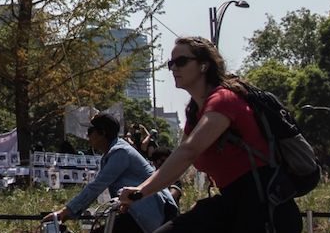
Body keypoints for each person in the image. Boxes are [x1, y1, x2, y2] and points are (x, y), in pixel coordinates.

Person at [117, 36, 302, 233]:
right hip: (230, 205)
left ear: (204, 65)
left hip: (264, 210)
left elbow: (189, 151)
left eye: (181, 61)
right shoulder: (195, 112)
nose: (174, 68)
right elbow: (179, 158)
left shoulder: (224, 99)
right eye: (171, 63)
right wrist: (138, 193)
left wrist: (141, 191)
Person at [43, 114, 177, 233]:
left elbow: (96, 186)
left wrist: (65, 212)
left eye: (90, 131)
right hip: (137, 210)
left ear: (103, 133)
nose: (87, 136)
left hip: (152, 209)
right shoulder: (111, 153)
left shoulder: (121, 152)